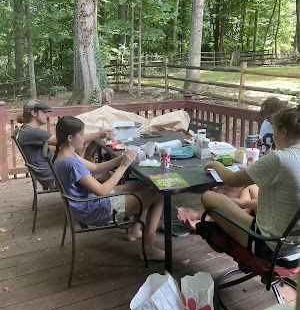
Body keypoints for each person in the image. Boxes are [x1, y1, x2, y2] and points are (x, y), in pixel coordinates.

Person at [182, 105, 300, 259]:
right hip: (295, 248)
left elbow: (231, 181)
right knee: (250, 190)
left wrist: (214, 164)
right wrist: (243, 203)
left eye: (274, 131)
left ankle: (209, 225)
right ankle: (209, 223)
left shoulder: (280, 158)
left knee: (209, 197)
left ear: (284, 132)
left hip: (268, 244)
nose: (273, 135)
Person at [53, 116, 165, 261]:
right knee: (159, 195)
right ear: (70, 138)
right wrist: (123, 166)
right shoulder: (70, 164)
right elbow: (102, 191)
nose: (85, 137)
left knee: (143, 185)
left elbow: (96, 168)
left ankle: (135, 231)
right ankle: (148, 250)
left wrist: (122, 158)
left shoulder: (64, 155)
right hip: (95, 210)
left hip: (88, 203)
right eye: (82, 134)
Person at [177, 96, 288, 223]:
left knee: (233, 186)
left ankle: (204, 218)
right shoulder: (272, 126)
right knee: (228, 186)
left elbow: (232, 180)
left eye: (270, 119)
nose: (269, 122)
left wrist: (214, 164)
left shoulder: (286, 132)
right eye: (267, 119)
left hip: (271, 174)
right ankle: (205, 217)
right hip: (264, 165)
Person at [17, 100, 111, 189]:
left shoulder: (27, 130)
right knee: (104, 173)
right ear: (34, 113)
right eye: (44, 112)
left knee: (83, 161)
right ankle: (106, 199)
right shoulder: (32, 132)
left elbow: (50, 147)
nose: (47, 115)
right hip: (54, 177)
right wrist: (98, 134)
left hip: (52, 171)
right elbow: (65, 140)